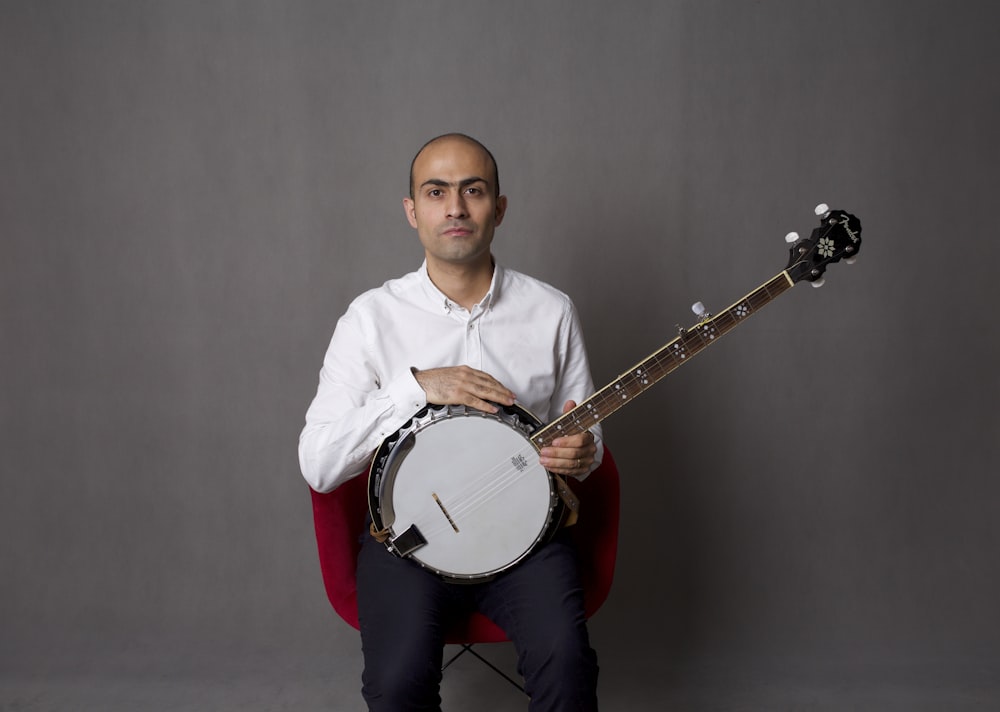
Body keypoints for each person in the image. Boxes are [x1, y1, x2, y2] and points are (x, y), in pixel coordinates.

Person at [299, 133, 603, 711]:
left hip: (529, 539)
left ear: (500, 207)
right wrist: (416, 388)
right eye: (436, 192)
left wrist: (583, 451)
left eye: (474, 191)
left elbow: (583, 427)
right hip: (408, 542)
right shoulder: (371, 319)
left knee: (568, 667)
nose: (456, 208)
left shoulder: (551, 310)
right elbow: (318, 464)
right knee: (397, 684)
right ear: (413, 211)